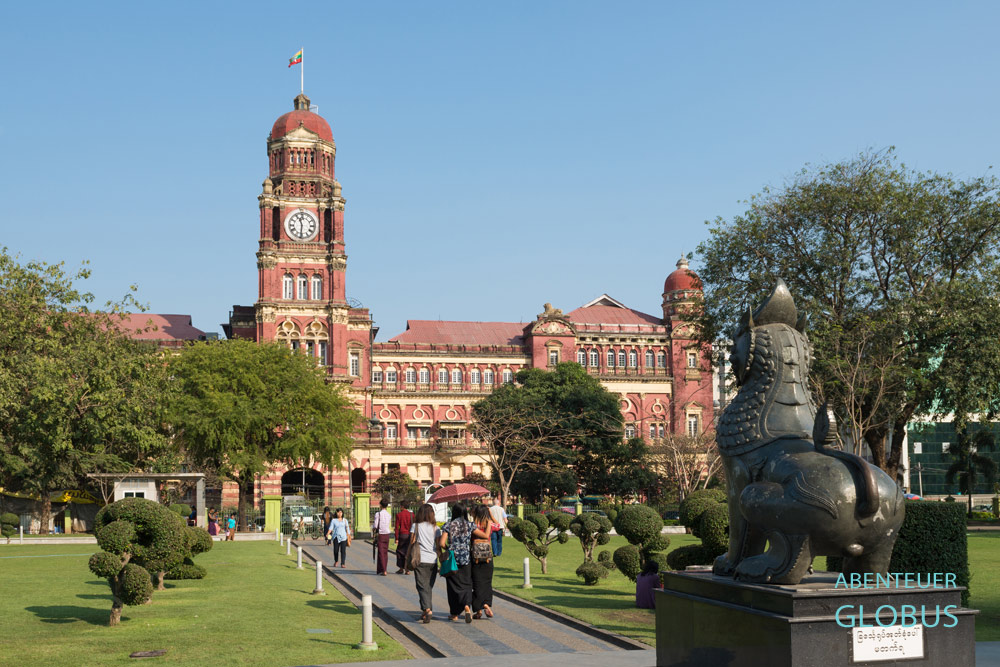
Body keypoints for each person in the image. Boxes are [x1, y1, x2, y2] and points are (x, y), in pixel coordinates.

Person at [439, 502, 474, 623]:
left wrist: (449, 549)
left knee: (453, 586)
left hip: (452, 558)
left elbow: (441, 543)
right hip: (466, 558)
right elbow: (482, 535)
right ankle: (467, 606)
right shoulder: (470, 525)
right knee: (466, 583)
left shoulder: (449, 525)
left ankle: (454, 614)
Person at [407, 503, 440, 623]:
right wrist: (441, 560)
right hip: (432, 560)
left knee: (421, 586)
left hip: (419, 559)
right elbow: (438, 546)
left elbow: (411, 543)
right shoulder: (436, 528)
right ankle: (426, 610)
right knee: (428, 587)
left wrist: (407, 559)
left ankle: (427, 609)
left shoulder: (416, 526)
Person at [470, 504, 495, 619]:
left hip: (475, 558)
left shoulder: (473, 526)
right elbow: (500, 526)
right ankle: (486, 603)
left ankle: (479, 610)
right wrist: (491, 517)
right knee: (487, 583)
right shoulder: (490, 524)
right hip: (487, 558)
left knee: (476, 583)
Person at [372, 498, 392, 575]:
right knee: (385, 552)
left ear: (380, 505)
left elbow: (376, 525)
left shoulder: (378, 514)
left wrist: (373, 529)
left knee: (380, 552)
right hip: (387, 534)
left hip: (381, 534)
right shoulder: (388, 515)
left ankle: (383, 570)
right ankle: (383, 568)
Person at [394, 500, 414, 575]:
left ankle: (401, 568)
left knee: (399, 551)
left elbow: (397, 527)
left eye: (400, 506)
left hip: (402, 535)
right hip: (410, 535)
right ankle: (407, 569)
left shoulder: (399, 515)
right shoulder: (412, 515)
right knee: (408, 552)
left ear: (402, 506)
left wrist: (396, 538)